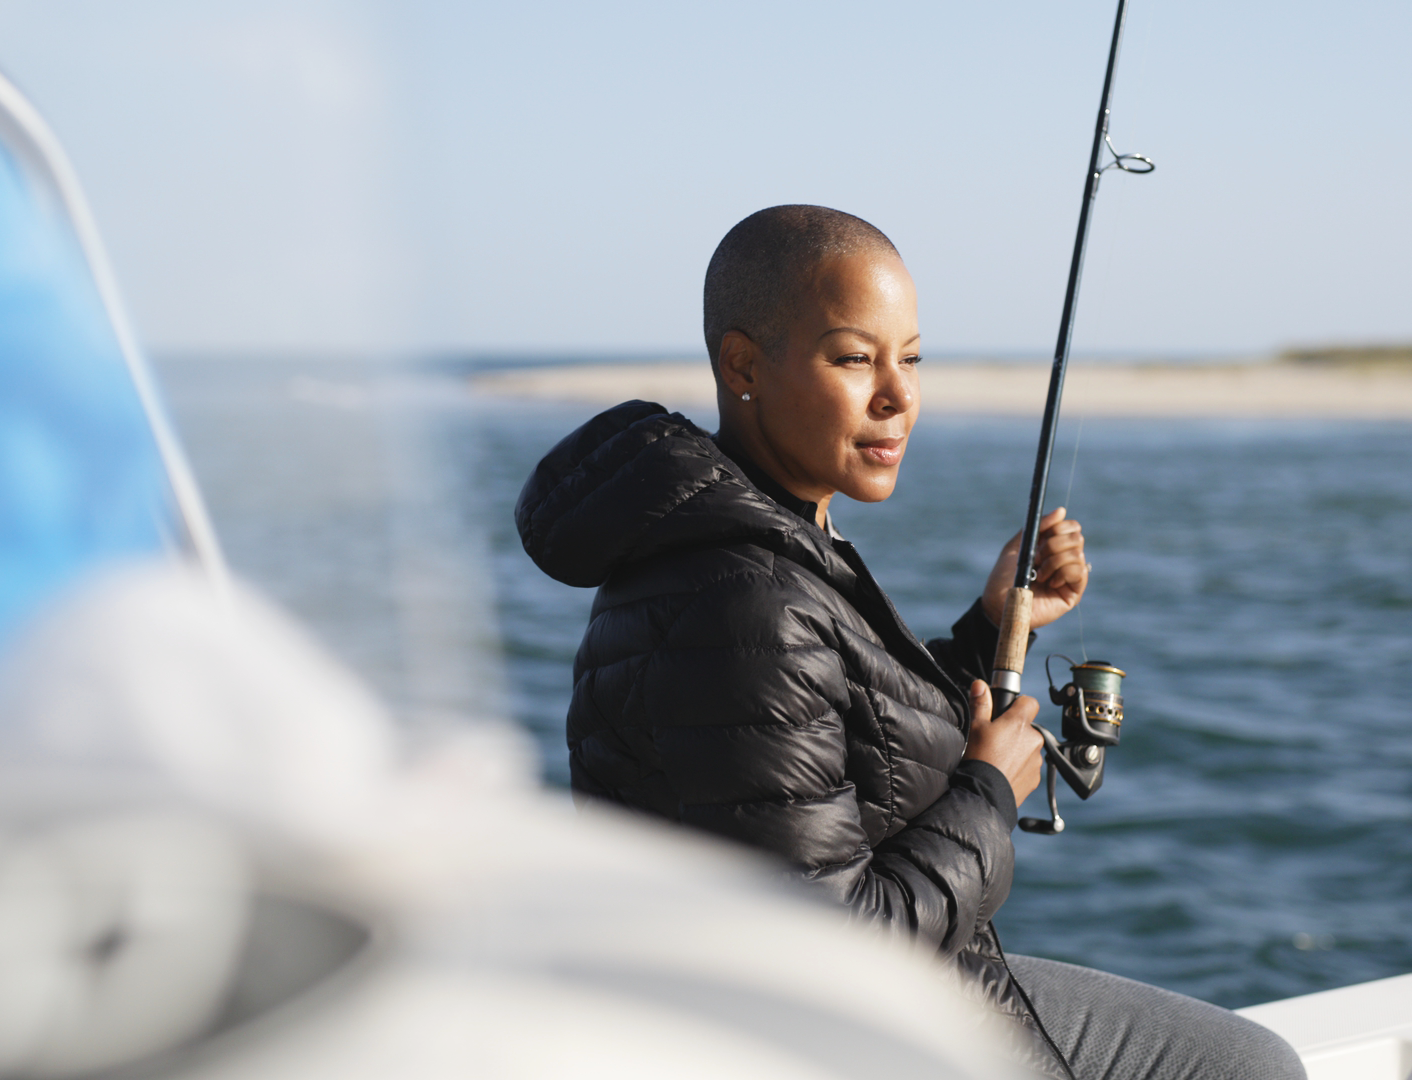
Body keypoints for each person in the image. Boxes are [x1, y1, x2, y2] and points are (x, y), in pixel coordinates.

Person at [516, 205, 1304, 1080]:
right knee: (1252, 1068)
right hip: (830, 1038)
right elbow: (837, 952)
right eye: (855, 358)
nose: (898, 395)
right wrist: (989, 791)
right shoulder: (743, 599)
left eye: (913, 357)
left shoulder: (755, 541)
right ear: (744, 365)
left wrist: (989, 627)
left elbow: (841, 732)